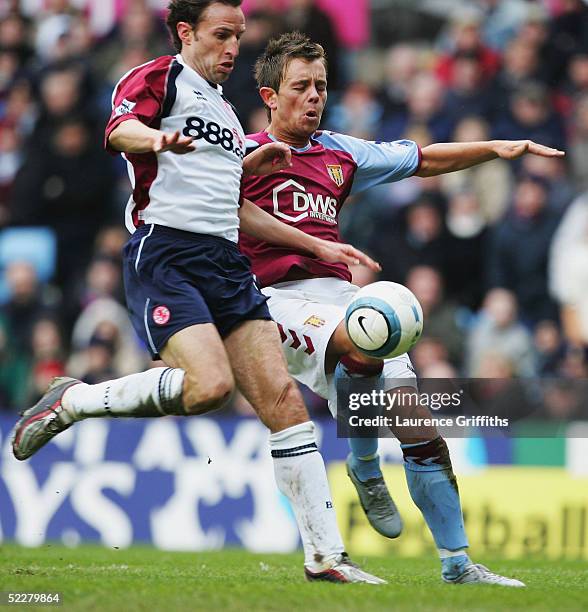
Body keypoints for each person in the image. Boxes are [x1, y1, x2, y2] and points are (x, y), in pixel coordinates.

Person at [11, 1, 385, 585]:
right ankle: (74, 401)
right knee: (210, 387)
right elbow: (119, 130)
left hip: (225, 261)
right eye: (221, 35)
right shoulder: (161, 77)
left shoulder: (228, 114)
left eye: (238, 35)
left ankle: (326, 559)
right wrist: (157, 141)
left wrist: (315, 245)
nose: (232, 47)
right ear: (186, 33)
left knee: (284, 405)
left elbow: (235, 209)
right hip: (166, 254)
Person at [240, 32, 564, 586]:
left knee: (415, 421)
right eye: (302, 87)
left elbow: (423, 159)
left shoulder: (341, 153)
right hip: (276, 304)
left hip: (340, 298)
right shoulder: (241, 154)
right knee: (367, 331)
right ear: (272, 96)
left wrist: (496, 147)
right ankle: (365, 463)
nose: (315, 96)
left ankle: (458, 564)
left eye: (321, 85)